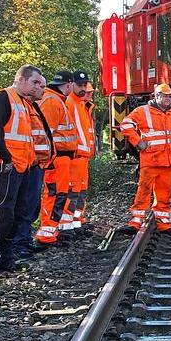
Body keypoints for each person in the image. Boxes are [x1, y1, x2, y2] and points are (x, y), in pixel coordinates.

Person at [0, 65, 43, 276]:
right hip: (5, 167)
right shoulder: (3, 97)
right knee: (1, 215)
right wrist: (5, 158)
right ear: (21, 79)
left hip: (20, 167)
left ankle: (6, 261)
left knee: (15, 215)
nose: (38, 86)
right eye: (35, 82)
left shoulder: (24, 103)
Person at [119, 83, 171, 233]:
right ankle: (135, 224)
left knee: (165, 196)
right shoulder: (142, 111)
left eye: (170, 96)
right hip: (151, 161)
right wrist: (138, 142)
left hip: (168, 162)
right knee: (143, 192)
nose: (168, 99)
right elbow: (125, 125)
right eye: (165, 96)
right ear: (156, 96)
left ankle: (164, 225)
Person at [11, 74, 54, 260]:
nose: (42, 89)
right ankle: (18, 244)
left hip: (36, 163)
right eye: (37, 84)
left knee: (31, 205)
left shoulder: (32, 107)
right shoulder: (19, 105)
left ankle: (24, 241)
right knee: (25, 205)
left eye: (43, 85)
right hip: (27, 164)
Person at [35, 71, 77, 246]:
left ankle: (51, 231)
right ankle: (47, 233)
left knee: (58, 194)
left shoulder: (54, 99)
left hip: (59, 158)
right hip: (56, 158)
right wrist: (48, 159)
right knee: (55, 194)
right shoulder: (52, 101)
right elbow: (46, 135)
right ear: (68, 84)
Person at [61, 70, 95, 239]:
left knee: (80, 190)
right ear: (71, 84)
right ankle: (65, 225)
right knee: (72, 191)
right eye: (80, 85)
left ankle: (75, 222)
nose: (83, 89)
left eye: (84, 85)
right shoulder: (69, 102)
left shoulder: (81, 104)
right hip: (74, 155)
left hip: (82, 156)